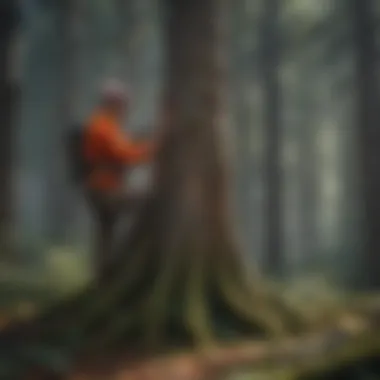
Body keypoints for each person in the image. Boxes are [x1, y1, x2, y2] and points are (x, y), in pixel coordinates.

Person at [83, 79, 155, 279]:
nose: (126, 108)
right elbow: (125, 154)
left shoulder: (108, 124)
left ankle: (103, 274)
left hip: (103, 188)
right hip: (104, 189)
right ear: (113, 103)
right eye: (123, 103)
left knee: (106, 232)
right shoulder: (103, 125)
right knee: (149, 202)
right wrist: (154, 148)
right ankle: (126, 267)